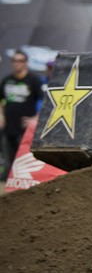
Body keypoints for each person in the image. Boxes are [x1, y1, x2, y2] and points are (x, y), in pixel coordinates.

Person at [0, 50, 43, 181]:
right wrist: (1, 115)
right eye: (15, 60)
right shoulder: (7, 80)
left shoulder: (33, 80)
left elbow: (44, 101)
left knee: (23, 159)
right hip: (8, 126)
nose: (17, 63)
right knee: (8, 158)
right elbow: (1, 99)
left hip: (24, 128)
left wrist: (35, 118)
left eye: (20, 61)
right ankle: (6, 182)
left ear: (26, 63)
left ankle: (22, 182)